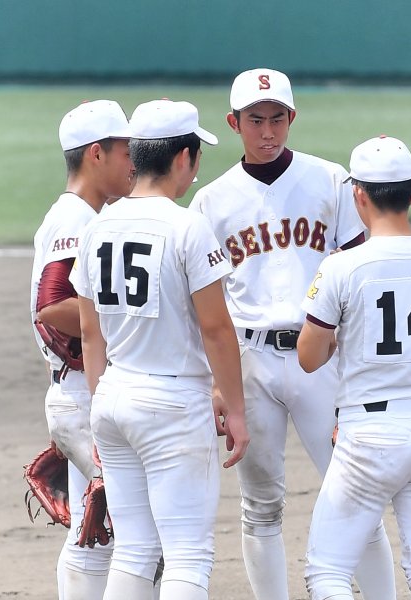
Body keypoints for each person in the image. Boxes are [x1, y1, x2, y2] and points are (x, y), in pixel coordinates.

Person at [188, 68, 396, 600]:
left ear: (292, 118)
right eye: (255, 120)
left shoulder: (331, 181)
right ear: (233, 123)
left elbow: (359, 271)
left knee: (356, 491)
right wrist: (218, 381)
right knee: (260, 502)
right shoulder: (211, 202)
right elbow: (203, 305)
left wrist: (359, 362)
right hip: (250, 360)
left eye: (277, 118)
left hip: (321, 355)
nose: (268, 130)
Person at [70, 98, 249, 600]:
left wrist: (98, 407)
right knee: (188, 554)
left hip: (112, 396)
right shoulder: (187, 226)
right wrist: (236, 411)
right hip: (171, 404)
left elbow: (90, 334)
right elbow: (217, 330)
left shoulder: (97, 226)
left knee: (134, 549)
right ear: (182, 159)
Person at [298, 135, 411, 600]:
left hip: (369, 435)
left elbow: (308, 358)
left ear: (358, 195)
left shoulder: (342, 267)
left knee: (327, 572)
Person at [30, 99, 134, 600]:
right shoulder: (76, 218)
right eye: (125, 150)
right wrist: (121, 321)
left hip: (78, 392)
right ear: (97, 154)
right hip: (82, 393)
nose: (133, 161)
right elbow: (50, 307)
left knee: (97, 533)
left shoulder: (85, 213)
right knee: (117, 534)